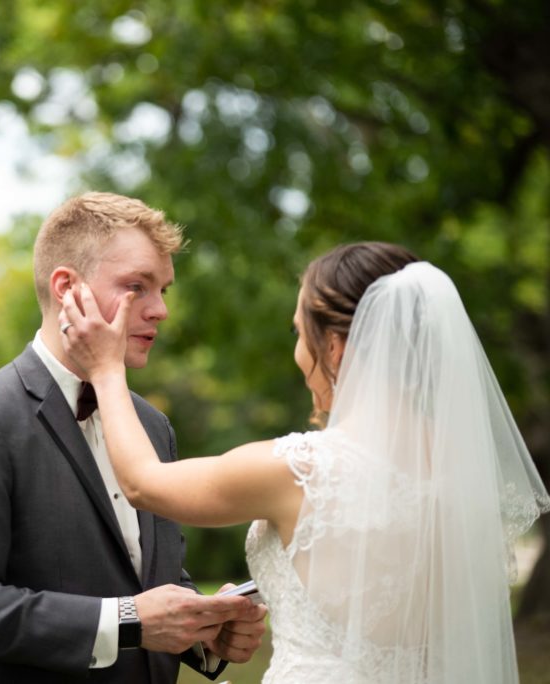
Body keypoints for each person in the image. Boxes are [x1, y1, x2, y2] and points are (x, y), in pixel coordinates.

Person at [60, 241, 550, 683]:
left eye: (300, 332)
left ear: (333, 347)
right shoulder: (463, 479)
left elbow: (145, 484)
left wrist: (105, 368)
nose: (298, 352)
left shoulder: (300, 470)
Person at [0, 192, 267, 684]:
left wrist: (203, 630)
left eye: (163, 289)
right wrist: (128, 622)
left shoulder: (152, 426)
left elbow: (149, 579)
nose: (160, 309)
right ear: (66, 288)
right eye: (137, 286)